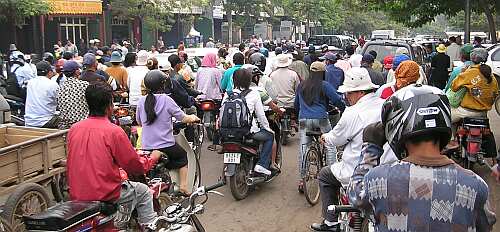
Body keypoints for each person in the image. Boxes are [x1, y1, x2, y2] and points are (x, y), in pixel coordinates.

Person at [349, 84, 496, 232]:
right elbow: (485, 226)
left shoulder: (379, 179)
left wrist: (371, 147)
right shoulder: (475, 185)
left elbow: (355, 197)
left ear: (396, 127)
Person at [310, 67, 397, 231]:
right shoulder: (387, 106)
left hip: (359, 172)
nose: (346, 97)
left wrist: (325, 137)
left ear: (360, 92)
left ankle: (330, 223)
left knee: (324, 175)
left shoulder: (352, 113)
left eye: (349, 93)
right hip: (389, 169)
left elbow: (336, 139)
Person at [67, 82, 160, 230]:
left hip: (78, 196)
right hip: (106, 195)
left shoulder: (74, 129)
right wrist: (152, 158)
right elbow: (134, 165)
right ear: (109, 105)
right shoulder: (114, 131)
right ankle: (150, 227)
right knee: (143, 191)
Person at [137, 70, 200, 195]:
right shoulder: (166, 100)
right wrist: (193, 118)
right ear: (163, 84)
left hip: (147, 146)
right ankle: (183, 187)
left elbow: (139, 122)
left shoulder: (141, 101)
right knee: (182, 156)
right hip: (166, 145)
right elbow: (183, 118)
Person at [295, 61, 345, 193]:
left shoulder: (301, 85)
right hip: (321, 119)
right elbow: (337, 100)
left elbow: (296, 105)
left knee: (303, 148)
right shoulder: (324, 85)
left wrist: (297, 117)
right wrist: (344, 109)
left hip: (304, 119)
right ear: (322, 73)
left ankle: (302, 179)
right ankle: (331, 176)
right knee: (330, 144)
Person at [224, 69, 275, 176]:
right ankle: (262, 165)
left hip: (226, 133)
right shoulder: (255, 93)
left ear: (234, 80)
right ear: (249, 80)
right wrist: (267, 128)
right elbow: (261, 115)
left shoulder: (228, 94)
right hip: (247, 132)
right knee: (270, 136)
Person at [450, 48, 499, 122]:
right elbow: (495, 93)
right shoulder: (491, 75)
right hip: (483, 113)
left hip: (466, 112)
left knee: (448, 119)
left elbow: (454, 87)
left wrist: (462, 74)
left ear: (472, 58)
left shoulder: (469, 72)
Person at [24, 61, 59, 128]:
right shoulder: (52, 84)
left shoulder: (30, 82)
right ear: (49, 72)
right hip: (45, 122)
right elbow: (60, 101)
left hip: (29, 121)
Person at [57, 61, 89, 129]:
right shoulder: (84, 85)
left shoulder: (60, 87)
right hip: (82, 124)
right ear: (76, 72)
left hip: (65, 126)